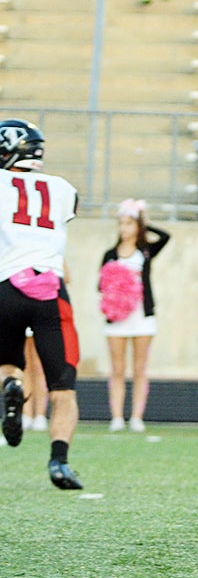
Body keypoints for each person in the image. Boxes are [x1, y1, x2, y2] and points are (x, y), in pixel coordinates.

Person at [0, 118, 85, 489]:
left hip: (6, 286)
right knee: (63, 387)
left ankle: (12, 388)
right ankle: (59, 462)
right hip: (51, 289)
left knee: (7, 363)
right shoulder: (64, 189)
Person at [101, 198, 171, 433]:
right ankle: (117, 416)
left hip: (142, 317)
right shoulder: (110, 254)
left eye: (129, 223)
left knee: (139, 368)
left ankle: (136, 417)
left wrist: (144, 222)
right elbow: (100, 285)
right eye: (121, 223)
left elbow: (165, 237)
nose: (124, 228)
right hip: (117, 319)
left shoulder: (145, 251)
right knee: (117, 369)